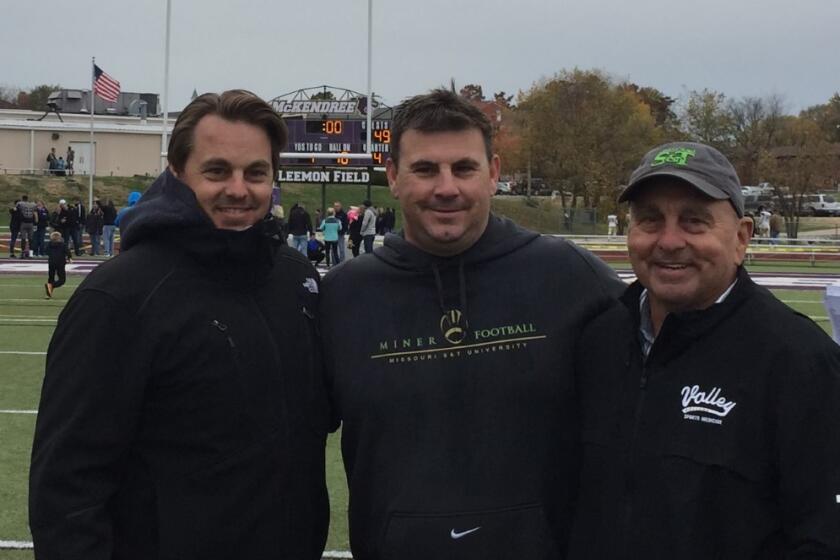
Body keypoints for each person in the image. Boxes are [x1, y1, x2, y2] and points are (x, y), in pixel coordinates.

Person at [320, 88, 622, 559]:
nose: (446, 187)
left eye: (464, 168)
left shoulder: (570, 277)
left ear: (494, 174)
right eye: (425, 169)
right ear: (394, 177)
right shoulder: (342, 295)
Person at [30, 89, 330, 559]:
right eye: (216, 171)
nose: (238, 188)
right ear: (176, 172)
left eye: (255, 172)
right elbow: (67, 487)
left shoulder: (295, 277)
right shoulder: (120, 296)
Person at [568, 142, 840, 558]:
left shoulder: (800, 360)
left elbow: (822, 536)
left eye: (694, 221)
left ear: (741, 238)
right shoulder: (597, 341)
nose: (669, 240)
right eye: (650, 220)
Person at [44, 231, 69, 298]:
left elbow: (46, 252)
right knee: (62, 280)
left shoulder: (49, 244)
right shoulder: (63, 245)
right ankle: (51, 286)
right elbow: (67, 252)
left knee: (51, 278)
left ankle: (48, 293)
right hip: (60, 263)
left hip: (51, 262)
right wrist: (70, 258)